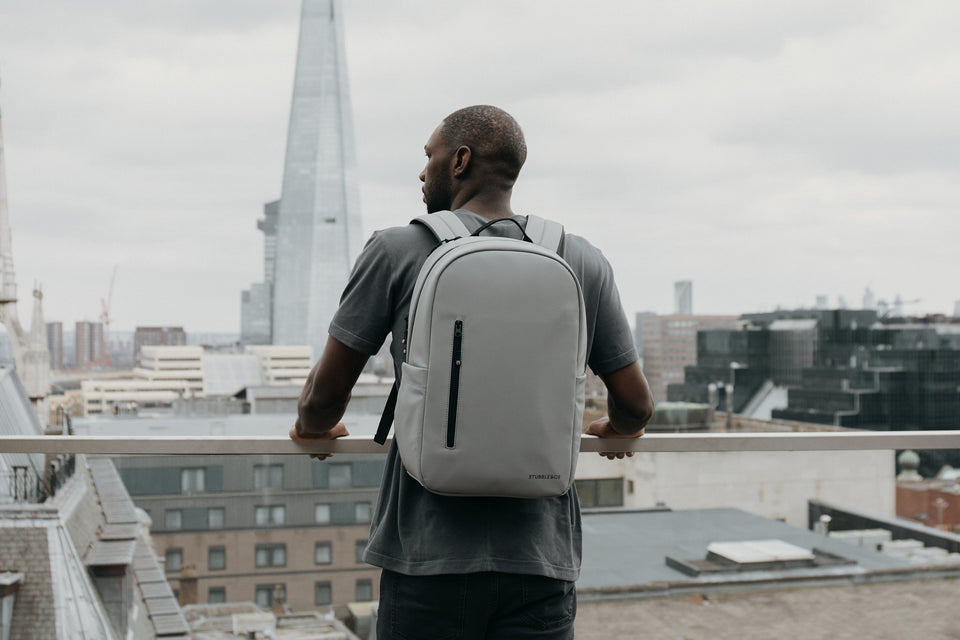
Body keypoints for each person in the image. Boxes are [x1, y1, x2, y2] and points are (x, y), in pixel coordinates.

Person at [290, 105, 654, 639]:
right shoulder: (580, 259)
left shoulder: (396, 251)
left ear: (459, 161)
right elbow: (637, 404)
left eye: (429, 156)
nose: (422, 171)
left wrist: (312, 431)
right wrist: (619, 431)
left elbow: (324, 398)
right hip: (540, 562)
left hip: (425, 560)